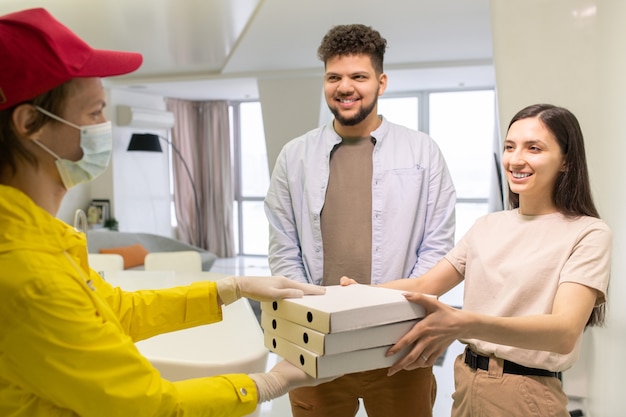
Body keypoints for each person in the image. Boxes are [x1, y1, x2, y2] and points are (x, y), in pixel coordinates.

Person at [0, 8, 333, 417]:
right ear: (30, 122)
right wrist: (268, 384)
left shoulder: (37, 241)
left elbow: (119, 312)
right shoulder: (28, 274)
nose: (105, 125)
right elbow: (152, 406)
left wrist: (231, 288)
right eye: (94, 112)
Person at [343, 103, 612, 416]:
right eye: (510, 147)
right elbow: (426, 284)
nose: (516, 159)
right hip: (468, 383)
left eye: (534, 148)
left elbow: (564, 332)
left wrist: (463, 322)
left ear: (565, 161)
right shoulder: (488, 225)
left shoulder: (588, 233)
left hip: (526, 393)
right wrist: (361, 294)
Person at [264, 24, 456, 417]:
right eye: (334, 77)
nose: (344, 86)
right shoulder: (294, 155)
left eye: (358, 76)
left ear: (381, 82)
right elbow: (284, 246)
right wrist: (311, 317)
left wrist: (393, 313)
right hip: (316, 344)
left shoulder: (422, 152)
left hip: (398, 345)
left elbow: (437, 248)